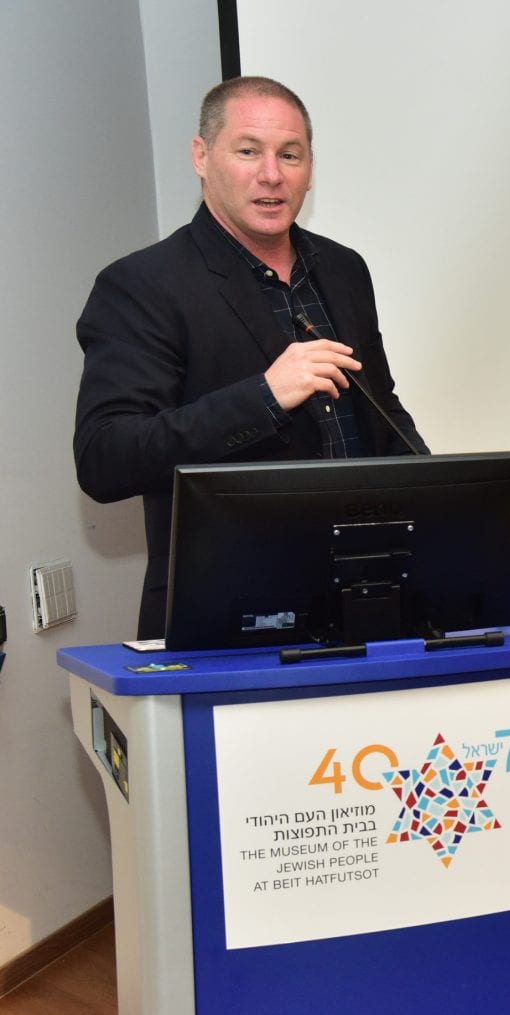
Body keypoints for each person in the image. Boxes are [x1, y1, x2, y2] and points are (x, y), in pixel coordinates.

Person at [73, 76, 426, 639]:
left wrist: (439, 501)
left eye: (290, 155)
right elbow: (106, 458)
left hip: (371, 600)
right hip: (231, 613)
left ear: (310, 167)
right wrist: (264, 398)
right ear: (201, 155)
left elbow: (381, 410)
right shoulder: (141, 285)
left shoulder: (344, 270)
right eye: (248, 151)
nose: (271, 175)